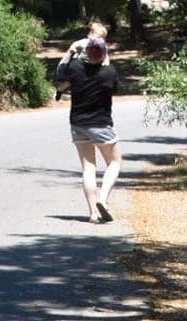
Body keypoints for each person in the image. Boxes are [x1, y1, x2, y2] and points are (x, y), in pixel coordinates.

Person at [54, 32, 121, 223]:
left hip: (78, 124)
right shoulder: (108, 73)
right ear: (103, 53)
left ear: (87, 51)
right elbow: (114, 87)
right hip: (101, 124)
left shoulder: (75, 68)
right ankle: (103, 199)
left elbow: (60, 75)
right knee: (114, 163)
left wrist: (69, 52)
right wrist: (106, 59)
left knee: (88, 167)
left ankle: (93, 213)